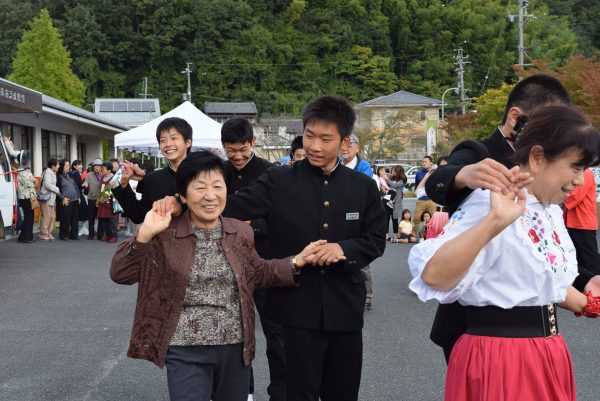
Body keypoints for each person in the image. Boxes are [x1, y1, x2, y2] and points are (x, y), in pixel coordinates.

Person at [409, 105, 600, 401]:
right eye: (576, 167)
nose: (581, 180)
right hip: (503, 359)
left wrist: (591, 302)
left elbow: (533, 285)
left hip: (544, 353)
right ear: (537, 157)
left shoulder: (546, 209)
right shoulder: (492, 202)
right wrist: (495, 221)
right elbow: (434, 275)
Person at [109, 150, 321, 401]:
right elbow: (121, 273)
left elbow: (258, 272)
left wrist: (297, 261)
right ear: (183, 196)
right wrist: (145, 234)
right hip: (184, 347)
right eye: (200, 188)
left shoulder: (240, 231)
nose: (210, 196)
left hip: (235, 346)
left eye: (218, 186)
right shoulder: (165, 233)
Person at [220, 95, 386, 401]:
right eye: (310, 136)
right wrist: (181, 201)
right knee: (298, 392)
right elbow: (232, 205)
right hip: (294, 307)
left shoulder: (362, 186)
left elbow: (375, 240)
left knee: (343, 392)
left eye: (326, 139)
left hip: (345, 308)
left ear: (345, 142)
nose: (315, 146)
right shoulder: (278, 179)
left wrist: (344, 249)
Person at [220, 116, 278, 401]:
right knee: (235, 332)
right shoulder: (217, 172)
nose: (238, 156)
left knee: (276, 331)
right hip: (226, 264)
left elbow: (280, 218)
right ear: (223, 147)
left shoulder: (270, 173)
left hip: (263, 261)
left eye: (243, 149)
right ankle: (244, 391)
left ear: (253, 142)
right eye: (231, 150)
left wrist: (249, 225)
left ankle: (281, 391)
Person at [113, 117, 192, 224]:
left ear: (188, 142)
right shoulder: (152, 179)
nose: (168, 144)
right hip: (162, 234)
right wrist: (124, 184)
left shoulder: (202, 174)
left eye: (174, 138)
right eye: (162, 140)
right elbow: (138, 216)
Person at [340, 133, 377, 311]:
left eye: (350, 144)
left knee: (360, 258)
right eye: (343, 144)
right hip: (337, 217)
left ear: (357, 147)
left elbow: (362, 192)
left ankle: (367, 296)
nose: (345, 148)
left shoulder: (364, 167)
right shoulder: (335, 163)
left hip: (358, 217)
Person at [564, 168, 600, 288]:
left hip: (583, 223)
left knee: (590, 260)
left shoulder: (586, 173)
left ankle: (597, 288)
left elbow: (574, 196)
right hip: (576, 222)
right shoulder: (583, 172)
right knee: (579, 258)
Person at [56, 160, 81, 240]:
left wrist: (78, 196)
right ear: (61, 167)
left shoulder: (69, 175)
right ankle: (64, 235)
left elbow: (75, 186)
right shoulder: (58, 176)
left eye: (68, 165)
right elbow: (57, 190)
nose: (68, 167)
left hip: (75, 199)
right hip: (66, 200)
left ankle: (74, 235)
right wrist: (62, 198)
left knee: (75, 218)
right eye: (66, 166)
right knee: (65, 218)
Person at [413, 156, 437, 233]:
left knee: (433, 218)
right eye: (423, 162)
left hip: (431, 200)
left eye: (426, 162)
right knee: (417, 218)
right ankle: (412, 234)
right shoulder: (419, 173)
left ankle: (431, 234)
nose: (424, 163)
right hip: (421, 200)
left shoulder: (435, 172)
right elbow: (416, 186)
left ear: (431, 163)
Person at [38, 158, 60, 241]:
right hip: (46, 198)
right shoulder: (48, 172)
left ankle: (49, 233)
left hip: (51, 198)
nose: (59, 166)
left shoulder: (52, 172)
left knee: (52, 217)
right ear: (53, 165)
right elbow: (47, 185)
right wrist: (57, 189)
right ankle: (43, 234)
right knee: (46, 216)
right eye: (57, 164)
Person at [82, 158, 104, 240]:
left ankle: (100, 235)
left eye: (99, 166)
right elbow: (86, 183)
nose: (97, 167)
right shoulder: (89, 175)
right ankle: (91, 234)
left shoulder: (103, 175)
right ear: (93, 167)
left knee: (101, 218)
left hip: (101, 199)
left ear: (101, 167)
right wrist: (85, 185)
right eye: (95, 166)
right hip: (91, 198)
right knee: (91, 217)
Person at [16, 157, 37, 243]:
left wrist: (34, 180)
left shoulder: (27, 171)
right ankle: (26, 237)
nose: (28, 162)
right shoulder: (21, 172)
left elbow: (35, 182)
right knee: (28, 217)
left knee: (30, 217)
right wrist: (33, 180)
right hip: (25, 198)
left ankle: (26, 236)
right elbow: (29, 184)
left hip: (30, 197)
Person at [97, 161, 117, 243]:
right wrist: (98, 199)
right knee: (104, 219)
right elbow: (100, 189)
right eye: (102, 168)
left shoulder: (114, 178)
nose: (101, 170)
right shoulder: (102, 177)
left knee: (111, 220)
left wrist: (109, 193)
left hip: (111, 201)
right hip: (103, 200)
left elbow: (116, 189)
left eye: (103, 169)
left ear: (109, 170)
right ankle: (108, 235)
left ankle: (113, 236)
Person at [385, 165, 407, 238]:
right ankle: (386, 234)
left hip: (396, 202)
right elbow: (387, 174)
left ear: (398, 172)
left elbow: (394, 185)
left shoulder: (402, 180)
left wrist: (387, 179)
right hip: (387, 200)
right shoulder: (392, 176)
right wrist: (383, 173)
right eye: (392, 170)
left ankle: (395, 234)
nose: (392, 172)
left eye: (394, 171)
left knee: (394, 218)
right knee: (386, 218)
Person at [70, 160, 89, 237]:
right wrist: (85, 184)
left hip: (75, 195)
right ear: (74, 166)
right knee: (82, 212)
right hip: (78, 195)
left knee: (79, 212)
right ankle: (78, 229)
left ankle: (81, 229)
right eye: (79, 165)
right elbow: (80, 185)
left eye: (81, 164)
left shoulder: (72, 173)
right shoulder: (76, 173)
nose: (81, 166)